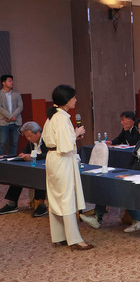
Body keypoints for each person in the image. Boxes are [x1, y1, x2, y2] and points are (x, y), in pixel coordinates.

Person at [82, 115, 140, 232]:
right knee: (106, 184)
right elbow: (131, 162)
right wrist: (126, 173)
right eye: (139, 129)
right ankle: (98, 218)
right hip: (132, 175)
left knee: (122, 188)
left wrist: (136, 176)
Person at [42, 85, 92, 250]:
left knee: (56, 197)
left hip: (53, 158)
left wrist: (73, 135)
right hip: (62, 160)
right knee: (66, 198)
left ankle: (59, 236)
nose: (75, 100)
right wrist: (76, 133)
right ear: (66, 100)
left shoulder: (52, 116)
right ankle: (75, 240)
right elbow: (65, 146)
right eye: (73, 98)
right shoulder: (62, 118)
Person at [0, 121, 49, 217]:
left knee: (39, 174)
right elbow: (26, 150)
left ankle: (41, 205)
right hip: (34, 166)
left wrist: (32, 156)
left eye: (30, 136)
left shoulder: (48, 139)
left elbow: (48, 154)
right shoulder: (31, 141)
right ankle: (12, 203)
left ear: (38, 133)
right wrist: (23, 154)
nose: (28, 139)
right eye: (26, 136)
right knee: (19, 172)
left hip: (45, 167)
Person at [0, 74, 23, 156]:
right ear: (3, 83)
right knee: (2, 142)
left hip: (15, 122)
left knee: (14, 143)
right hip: (3, 122)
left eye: (12, 81)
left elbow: (20, 106)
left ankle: (12, 160)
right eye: (9, 81)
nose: (12, 83)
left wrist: (13, 117)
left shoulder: (17, 94)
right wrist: (10, 117)